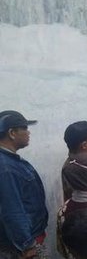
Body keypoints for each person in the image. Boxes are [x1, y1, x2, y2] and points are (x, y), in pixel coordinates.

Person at [0, 110, 48, 259]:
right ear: (12, 133)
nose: (29, 133)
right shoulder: (5, 167)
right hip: (23, 245)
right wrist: (27, 245)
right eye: (25, 128)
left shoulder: (11, 161)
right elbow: (12, 209)